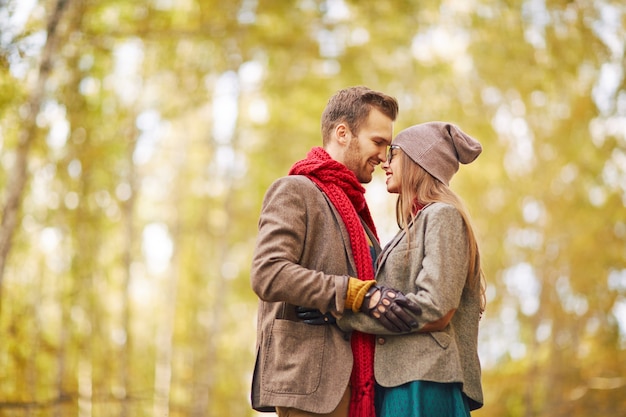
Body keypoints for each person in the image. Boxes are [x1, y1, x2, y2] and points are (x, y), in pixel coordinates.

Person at [250, 86, 422, 417]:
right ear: (343, 133)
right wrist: (355, 293)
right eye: (378, 142)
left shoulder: (358, 214)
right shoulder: (296, 190)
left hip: (359, 380)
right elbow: (268, 273)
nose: (384, 157)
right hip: (310, 383)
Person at [337, 121, 486, 416]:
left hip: (424, 381)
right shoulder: (412, 227)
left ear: (419, 162)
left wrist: (345, 316)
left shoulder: (443, 216)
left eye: (394, 154)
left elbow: (436, 308)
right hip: (402, 380)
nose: (385, 163)